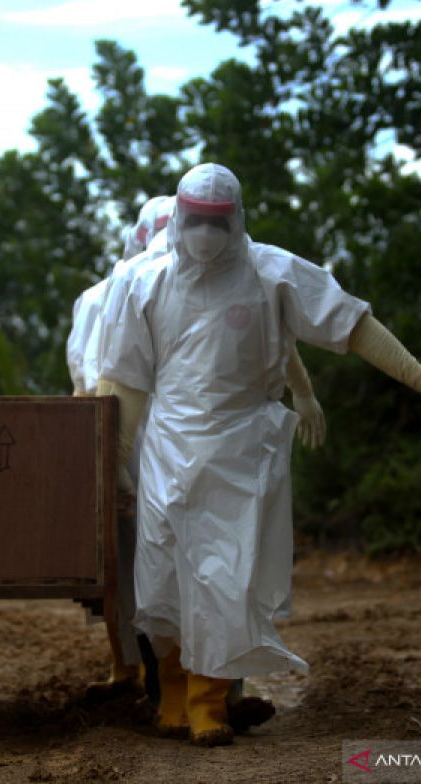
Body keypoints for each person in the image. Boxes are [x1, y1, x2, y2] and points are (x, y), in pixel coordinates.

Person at [96, 163, 421, 747]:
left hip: (243, 449)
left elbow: (352, 323)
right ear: (179, 217)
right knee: (162, 574)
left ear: (237, 218)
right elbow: (125, 385)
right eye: (194, 220)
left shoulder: (273, 272)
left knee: (225, 578)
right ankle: (170, 695)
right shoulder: (144, 283)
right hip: (167, 447)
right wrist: (115, 460)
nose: (203, 234)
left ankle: (208, 704)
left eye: (216, 223)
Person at [68, 195, 325, 724]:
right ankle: (170, 690)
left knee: (202, 566)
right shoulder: (120, 290)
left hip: (167, 441)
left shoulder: (223, 278)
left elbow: (265, 337)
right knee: (176, 570)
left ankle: (209, 694)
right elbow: (104, 378)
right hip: (145, 441)